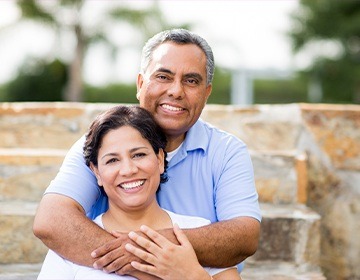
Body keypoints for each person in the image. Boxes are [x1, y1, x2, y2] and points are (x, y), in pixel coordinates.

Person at [33, 28, 261, 278]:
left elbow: (244, 236)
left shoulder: (227, 152)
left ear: (206, 93)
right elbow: (52, 220)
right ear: (141, 84)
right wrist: (147, 263)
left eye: (191, 80)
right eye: (163, 76)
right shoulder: (101, 142)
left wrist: (153, 254)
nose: (176, 91)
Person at [37, 105, 240, 279]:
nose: (128, 170)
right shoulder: (71, 245)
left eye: (139, 155)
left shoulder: (197, 231)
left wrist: (192, 275)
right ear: (96, 172)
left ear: (160, 160)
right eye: (112, 160)